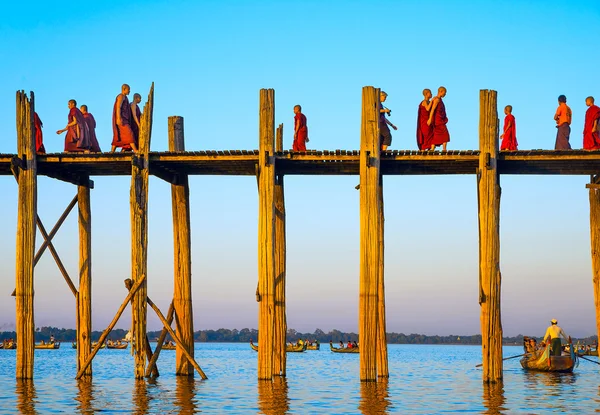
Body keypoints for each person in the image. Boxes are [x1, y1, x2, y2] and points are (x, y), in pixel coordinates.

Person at [111, 84, 138, 153]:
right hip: (121, 119)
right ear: (124, 89)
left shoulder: (125, 98)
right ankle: (135, 150)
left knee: (119, 135)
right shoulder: (121, 96)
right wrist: (118, 118)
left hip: (124, 119)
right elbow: (118, 107)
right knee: (129, 133)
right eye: (128, 90)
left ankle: (112, 151)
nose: (129, 91)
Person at [428, 87, 450, 151]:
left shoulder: (438, 99)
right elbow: (433, 109)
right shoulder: (437, 99)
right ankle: (444, 149)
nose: (445, 95)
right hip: (438, 120)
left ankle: (432, 148)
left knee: (436, 134)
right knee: (445, 134)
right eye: (444, 93)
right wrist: (430, 118)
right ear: (441, 91)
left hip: (439, 119)